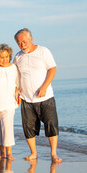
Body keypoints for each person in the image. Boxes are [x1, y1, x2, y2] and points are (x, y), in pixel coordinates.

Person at [13, 28, 62, 164]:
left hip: (45, 97)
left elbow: (52, 69)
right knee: (28, 127)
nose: (22, 45)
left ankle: (53, 153)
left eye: (24, 41)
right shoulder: (18, 57)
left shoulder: (43, 51)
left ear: (31, 39)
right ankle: (33, 153)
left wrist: (44, 87)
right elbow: (15, 76)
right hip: (26, 98)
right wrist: (16, 90)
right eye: (19, 43)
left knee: (51, 124)